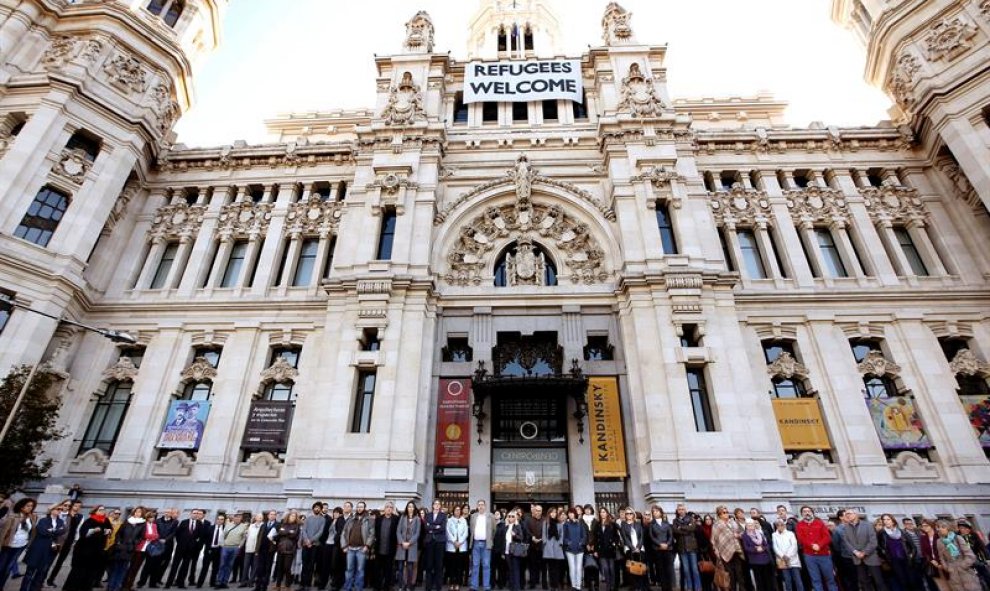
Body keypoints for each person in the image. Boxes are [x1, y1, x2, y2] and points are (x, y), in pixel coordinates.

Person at [64, 505, 114, 591]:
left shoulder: (105, 520)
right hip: (84, 550)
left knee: (91, 571)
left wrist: (108, 531)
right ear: (95, 511)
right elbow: (83, 533)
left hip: (97, 551)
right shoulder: (90, 520)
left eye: (104, 510)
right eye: (100, 510)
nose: (102, 511)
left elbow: (109, 529)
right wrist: (93, 530)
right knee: (79, 570)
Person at [21, 504, 67, 591]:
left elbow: (63, 531)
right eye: (57, 509)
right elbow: (42, 531)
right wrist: (55, 531)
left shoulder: (60, 521)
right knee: (29, 573)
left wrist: (51, 530)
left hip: (50, 551)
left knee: (41, 573)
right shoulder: (43, 520)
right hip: (38, 549)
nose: (59, 510)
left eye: (61, 509)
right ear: (51, 510)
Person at [840, 508, 887, 591]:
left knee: (878, 581)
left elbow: (873, 541)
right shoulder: (845, 528)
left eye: (849, 513)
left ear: (856, 515)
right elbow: (846, 542)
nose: (847, 515)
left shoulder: (868, 525)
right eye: (846, 514)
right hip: (857, 559)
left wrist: (864, 552)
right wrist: (855, 552)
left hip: (871, 557)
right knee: (864, 581)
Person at [793, 506, 835, 591]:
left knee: (830, 578)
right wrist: (812, 545)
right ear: (802, 514)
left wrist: (819, 545)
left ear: (812, 513)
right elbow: (801, 539)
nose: (807, 513)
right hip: (809, 556)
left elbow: (827, 537)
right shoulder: (799, 525)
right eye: (804, 511)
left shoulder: (820, 523)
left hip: (824, 555)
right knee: (815, 579)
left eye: (808, 511)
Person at [0, 498, 37, 590]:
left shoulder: (32, 517)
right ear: (21, 506)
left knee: (8, 569)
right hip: (8, 546)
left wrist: (29, 543)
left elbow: (32, 531)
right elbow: (3, 531)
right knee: (1, 568)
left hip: (20, 546)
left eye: (32, 506)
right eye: (28, 506)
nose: (30, 508)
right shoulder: (13, 516)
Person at [167, 508, 208, 589]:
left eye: (197, 513)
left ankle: (181, 583)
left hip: (190, 549)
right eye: (194, 513)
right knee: (175, 566)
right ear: (191, 514)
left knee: (185, 567)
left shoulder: (199, 524)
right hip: (180, 548)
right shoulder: (184, 522)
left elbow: (200, 536)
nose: (195, 514)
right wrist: (181, 543)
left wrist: (194, 545)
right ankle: (168, 583)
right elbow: (177, 534)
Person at [935, 520, 981, 591]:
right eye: (939, 527)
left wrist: (963, 566)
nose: (940, 529)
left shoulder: (958, 538)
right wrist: (947, 568)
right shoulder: (939, 542)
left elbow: (970, 555)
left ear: (948, 528)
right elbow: (941, 557)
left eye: (943, 527)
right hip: (953, 572)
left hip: (965, 570)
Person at [877, 513, 917, 591]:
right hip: (894, 561)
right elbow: (878, 547)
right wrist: (884, 555)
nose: (886, 521)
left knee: (912, 581)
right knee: (902, 581)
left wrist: (911, 555)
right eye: (884, 520)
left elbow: (913, 547)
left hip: (906, 559)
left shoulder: (902, 532)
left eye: (888, 519)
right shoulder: (882, 533)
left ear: (893, 521)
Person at [108, 507, 145, 591]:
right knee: (115, 568)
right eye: (136, 511)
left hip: (129, 550)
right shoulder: (127, 522)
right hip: (120, 548)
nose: (137, 513)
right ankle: (110, 587)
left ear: (141, 514)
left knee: (123, 569)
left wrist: (133, 543)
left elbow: (141, 537)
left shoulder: (142, 524)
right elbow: (118, 534)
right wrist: (118, 543)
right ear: (134, 512)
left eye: (139, 512)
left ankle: (117, 587)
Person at [141, 508, 179, 588]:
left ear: (171, 513)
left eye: (169, 512)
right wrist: (158, 539)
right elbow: (155, 530)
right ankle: (141, 581)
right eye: (166, 512)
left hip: (167, 545)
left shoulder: (175, 522)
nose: (167, 513)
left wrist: (165, 539)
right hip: (156, 544)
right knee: (149, 564)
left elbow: (174, 532)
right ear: (164, 513)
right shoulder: (157, 521)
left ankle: (153, 583)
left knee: (158, 565)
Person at [48, 500, 82, 587]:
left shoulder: (79, 516)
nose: (77, 508)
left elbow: (78, 529)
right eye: (75, 506)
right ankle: (41, 579)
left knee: (60, 562)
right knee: (49, 560)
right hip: (57, 540)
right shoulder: (63, 514)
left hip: (68, 541)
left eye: (79, 506)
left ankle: (51, 579)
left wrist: (75, 541)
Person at [124, 508, 160, 591]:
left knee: (137, 568)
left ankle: (130, 585)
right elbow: (145, 535)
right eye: (151, 517)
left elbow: (157, 535)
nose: (152, 519)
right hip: (139, 548)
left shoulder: (154, 525)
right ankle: (125, 584)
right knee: (131, 567)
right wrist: (152, 536)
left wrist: (152, 537)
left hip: (147, 549)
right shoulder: (144, 524)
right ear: (147, 518)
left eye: (154, 517)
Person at [341, 502, 374, 591]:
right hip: (350, 548)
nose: (359, 508)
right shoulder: (351, 519)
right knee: (349, 569)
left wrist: (367, 546)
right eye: (358, 507)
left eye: (361, 507)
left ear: (364, 508)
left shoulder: (369, 519)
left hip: (361, 549)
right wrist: (344, 546)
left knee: (360, 570)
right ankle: (347, 587)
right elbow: (344, 532)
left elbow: (372, 534)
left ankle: (358, 588)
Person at [711, 506, 744, 591]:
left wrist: (738, 535)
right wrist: (717, 553)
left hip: (736, 550)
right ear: (719, 515)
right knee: (730, 576)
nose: (726, 514)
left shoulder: (732, 522)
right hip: (725, 553)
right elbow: (713, 540)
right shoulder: (716, 524)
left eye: (727, 512)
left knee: (740, 574)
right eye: (724, 512)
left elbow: (741, 532)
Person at [673, 504, 701, 591]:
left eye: (682, 509)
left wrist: (681, 527)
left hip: (692, 547)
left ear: (685, 510)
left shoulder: (691, 519)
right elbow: (675, 530)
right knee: (686, 570)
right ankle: (689, 587)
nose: (681, 511)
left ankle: (697, 587)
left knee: (694, 569)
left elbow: (692, 528)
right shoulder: (675, 520)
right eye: (679, 509)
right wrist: (686, 528)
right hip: (682, 548)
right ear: (677, 511)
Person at [469, 499, 495, 591]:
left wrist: (489, 540)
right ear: (477, 506)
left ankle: (486, 586)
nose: (481, 506)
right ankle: (474, 586)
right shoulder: (473, 516)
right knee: (475, 564)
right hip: (475, 543)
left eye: (482, 505)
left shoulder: (490, 516)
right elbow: (471, 529)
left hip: (486, 544)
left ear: (485, 506)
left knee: (486, 565)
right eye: (479, 505)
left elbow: (493, 530)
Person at [741, 519, 774, 591]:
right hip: (755, 561)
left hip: (765, 560)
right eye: (749, 525)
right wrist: (755, 549)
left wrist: (762, 548)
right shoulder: (745, 535)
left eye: (752, 525)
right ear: (746, 526)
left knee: (768, 579)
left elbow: (767, 545)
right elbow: (746, 548)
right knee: (759, 580)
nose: (750, 526)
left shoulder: (759, 533)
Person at [956, 520, 990, 590]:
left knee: (986, 575)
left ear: (969, 529)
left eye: (966, 528)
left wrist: (988, 559)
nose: (964, 530)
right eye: (961, 528)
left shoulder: (974, 535)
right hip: (966, 562)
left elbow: (982, 547)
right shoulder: (957, 537)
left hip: (977, 559)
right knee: (976, 580)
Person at [618, 508, 646, 591]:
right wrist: (633, 548)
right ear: (625, 515)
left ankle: (641, 586)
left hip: (640, 549)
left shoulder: (638, 524)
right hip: (629, 550)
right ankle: (634, 587)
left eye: (630, 513)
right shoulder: (623, 524)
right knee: (632, 569)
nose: (629, 515)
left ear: (633, 514)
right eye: (627, 513)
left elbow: (641, 536)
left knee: (641, 568)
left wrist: (638, 547)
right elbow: (625, 538)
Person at [217, 512, 247, 589]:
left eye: (239, 517)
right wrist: (222, 544)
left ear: (241, 519)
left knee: (229, 565)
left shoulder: (244, 526)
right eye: (236, 517)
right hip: (226, 547)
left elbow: (244, 537)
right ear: (234, 518)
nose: (237, 518)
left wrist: (240, 546)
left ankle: (225, 582)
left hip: (235, 548)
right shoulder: (228, 525)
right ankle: (219, 581)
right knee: (222, 564)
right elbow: (223, 535)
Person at [271, 511, 300, 591]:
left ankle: (287, 585)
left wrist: (284, 532)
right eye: (291, 516)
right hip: (281, 548)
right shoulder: (283, 524)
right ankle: (278, 585)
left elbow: (294, 535)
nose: (292, 517)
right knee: (279, 567)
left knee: (287, 567)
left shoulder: (297, 526)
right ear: (288, 516)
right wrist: (287, 532)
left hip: (290, 549)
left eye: (294, 516)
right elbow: (280, 532)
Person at [300, 503, 326, 591]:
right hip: (305, 545)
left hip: (315, 545)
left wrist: (311, 541)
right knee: (304, 565)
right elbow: (304, 530)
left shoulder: (322, 519)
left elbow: (320, 532)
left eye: (318, 508)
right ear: (313, 508)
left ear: (321, 509)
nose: (316, 509)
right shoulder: (308, 518)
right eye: (315, 507)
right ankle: (302, 584)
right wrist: (306, 540)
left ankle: (307, 584)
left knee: (311, 565)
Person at [647, 506, 673, 591]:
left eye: (657, 511)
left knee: (668, 569)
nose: (655, 513)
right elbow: (651, 537)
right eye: (653, 512)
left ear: (661, 512)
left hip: (667, 549)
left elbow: (670, 535)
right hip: (657, 549)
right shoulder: (651, 524)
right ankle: (664, 588)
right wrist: (660, 544)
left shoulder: (666, 523)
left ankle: (669, 588)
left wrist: (667, 544)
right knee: (660, 569)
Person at [772, 519, 803, 591]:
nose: (780, 526)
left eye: (781, 524)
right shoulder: (774, 535)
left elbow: (794, 545)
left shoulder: (790, 533)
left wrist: (788, 556)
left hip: (793, 559)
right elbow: (775, 547)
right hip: (782, 560)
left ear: (784, 525)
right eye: (778, 525)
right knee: (787, 581)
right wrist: (782, 555)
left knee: (797, 580)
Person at [593, 508, 619, 591]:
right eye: (601, 512)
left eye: (604, 512)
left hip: (611, 550)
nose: (602, 513)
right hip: (601, 550)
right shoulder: (597, 524)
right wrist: (595, 550)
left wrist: (614, 543)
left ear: (607, 513)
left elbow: (616, 536)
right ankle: (608, 586)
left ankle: (613, 586)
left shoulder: (612, 524)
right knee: (605, 569)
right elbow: (595, 538)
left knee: (611, 568)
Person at [397, 502, 421, 591]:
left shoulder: (417, 519)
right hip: (402, 546)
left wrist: (409, 543)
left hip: (412, 546)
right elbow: (398, 531)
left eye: (412, 507)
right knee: (400, 567)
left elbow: (417, 533)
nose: (410, 508)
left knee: (410, 568)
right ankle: (401, 586)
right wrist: (402, 542)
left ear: (414, 508)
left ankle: (409, 586)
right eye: (409, 507)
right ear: (407, 508)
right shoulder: (402, 518)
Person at [374, 502, 399, 591]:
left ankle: (386, 587)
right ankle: (377, 586)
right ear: (384, 509)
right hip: (379, 549)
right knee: (378, 570)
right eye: (387, 507)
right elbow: (375, 532)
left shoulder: (396, 519)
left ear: (392, 509)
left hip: (390, 549)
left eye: (390, 507)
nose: (388, 508)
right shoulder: (379, 519)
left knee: (388, 570)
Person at [424, 500, 448, 591]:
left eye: (438, 504)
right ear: (433, 505)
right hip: (429, 542)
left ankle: (438, 586)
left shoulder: (443, 515)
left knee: (439, 565)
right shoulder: (428, 515)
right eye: (435, 504)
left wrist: (432, 527)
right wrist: (435, 526)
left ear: (440, 506)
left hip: (440, 542)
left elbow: (442, 528)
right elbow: (426, 527)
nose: (437, 505)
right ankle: (428, 587)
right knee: (429, 565)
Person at [253, 510, 279, 591]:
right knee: (259, 569)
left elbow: (278, 537)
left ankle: (264, 587)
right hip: (261, 550)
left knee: (267, 569)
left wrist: (274, 538)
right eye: (271, 514)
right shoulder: (263, 525)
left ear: (276, 516)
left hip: (270, 550)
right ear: (268, 516)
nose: (272, 516)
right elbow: (259, 537)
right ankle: (257, 586)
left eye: (274, 514)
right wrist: (256, 549)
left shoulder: (277, 525)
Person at [198, 513, 225, 589]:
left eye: (222, 519)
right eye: (218, 519)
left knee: (215, 568)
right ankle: (200, 583)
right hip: (209, 550)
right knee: (205, 567)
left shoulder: (225, 529)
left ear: (223, 521)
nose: (220, 521)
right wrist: (206, 548)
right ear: (216, 520)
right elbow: (204, 539)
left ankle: (212, 583)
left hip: (219, 550)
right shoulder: (210, 528)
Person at [918, 520, 947, 591]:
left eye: (926, 525)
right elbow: (924, 552)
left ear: (931, 525)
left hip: (944, 562)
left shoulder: (939, 535)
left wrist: (940, 562)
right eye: (923, 526)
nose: (924, 527)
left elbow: (945, 549)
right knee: (941, 586)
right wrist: (931, 560)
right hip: (933, 564)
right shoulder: (923, 538)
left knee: (951, 583)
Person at [562, 508, 586, 591]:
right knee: (572, 568)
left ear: (575, 514)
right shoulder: (566, 524)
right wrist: (568, 543)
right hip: (570, 549)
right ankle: (573, 585)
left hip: (579, 549)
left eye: (572, 513)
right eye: (569, 513)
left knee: (579, 568)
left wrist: (581, 542)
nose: (570, 514)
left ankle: (578, 585)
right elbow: (563, 537)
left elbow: (584, 536)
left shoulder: (580, 523)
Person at [446, 505, 469, 591]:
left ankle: (458, 584)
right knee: (452, 566)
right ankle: (452, 583)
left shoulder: (464, 521)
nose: (458, 511)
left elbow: (465, 533)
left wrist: (460, 542)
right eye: (456, 510)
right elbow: (448, 532)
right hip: (452, 546)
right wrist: (454, 541)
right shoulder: (449, 520)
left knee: (459, 566)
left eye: (459, 510)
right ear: (453, 511)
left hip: (461, 546)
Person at [522, 506, 545, 591]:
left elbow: (545, 531)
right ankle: (532, 583)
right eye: (536, 510)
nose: (538, 512)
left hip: (541, 545)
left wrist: (542, 538)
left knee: (540, 565)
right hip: (531, 546)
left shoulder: (544, 520)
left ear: (542, 511)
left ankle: (538, 580)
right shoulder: (528, 520)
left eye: (540, 511)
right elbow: (526, 530)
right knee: (532, 565)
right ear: (533, 511)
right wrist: (532, 537)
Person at [503, 512, 527, 591]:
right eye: (509, 516)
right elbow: (502, 538)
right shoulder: (505, 526)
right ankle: (511, 587)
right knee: (510, 569)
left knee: (516, 569)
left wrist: (514, 535)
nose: (511, 518)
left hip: (514, 550)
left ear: (515, 518)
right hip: (507, 551)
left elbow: (521, 537)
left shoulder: (517, 526)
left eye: (513, 516)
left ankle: (517, 588)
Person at [239, 513, 263, 588]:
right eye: (258, 517)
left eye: (261, 517)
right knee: (246, 565)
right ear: (255, 518)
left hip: (257, 549)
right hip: (248, 548)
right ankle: (243, 582)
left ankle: (251, 582)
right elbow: (246, 536)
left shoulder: (263, 526)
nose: (260, 518)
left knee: (254, 566)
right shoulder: (251, 526)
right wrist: (241, 545)